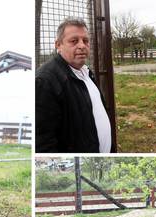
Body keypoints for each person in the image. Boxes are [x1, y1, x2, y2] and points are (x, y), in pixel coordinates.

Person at [36, 17, 112, 153]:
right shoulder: (45, 81)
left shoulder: (86, 73)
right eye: (74, 41)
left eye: (85, 41)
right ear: (58, 45)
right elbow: (43, 141)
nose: (82, 45)